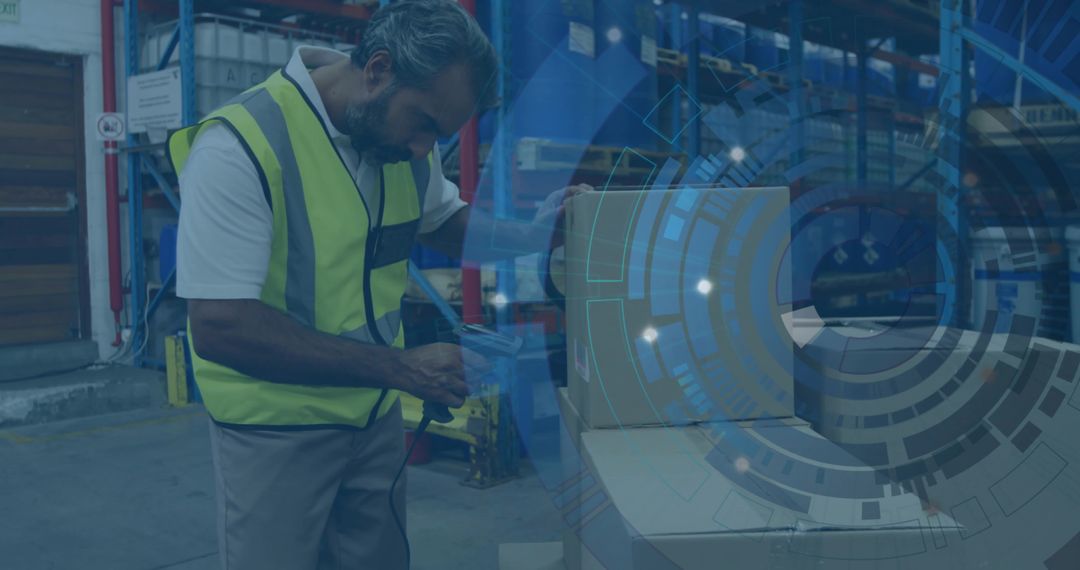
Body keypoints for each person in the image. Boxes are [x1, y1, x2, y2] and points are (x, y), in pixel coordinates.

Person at [169, 1, 588, 568]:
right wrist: (402, 368)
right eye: (423, 125)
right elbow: (221, 326)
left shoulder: (402, 143)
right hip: (276, 431)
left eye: (438, 134)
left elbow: (446, 224)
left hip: (373, 419)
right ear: (378, 70)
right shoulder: (239, 147)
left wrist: (536, 236)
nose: (424, 148)